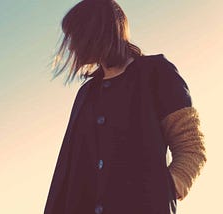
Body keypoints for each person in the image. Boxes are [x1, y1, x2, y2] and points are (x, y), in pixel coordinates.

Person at [44, 0, 207, 213]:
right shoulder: (86, 94)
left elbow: (192, 147)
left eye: (76, 36)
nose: (72, 46)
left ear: (97, 30)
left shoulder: (157, 73)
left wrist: (164, 191)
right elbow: (69, 171)